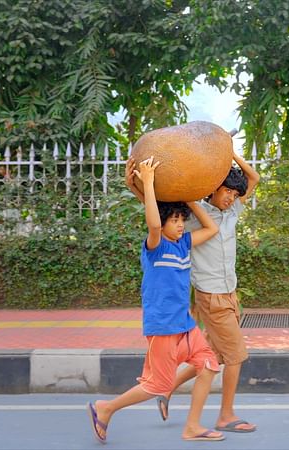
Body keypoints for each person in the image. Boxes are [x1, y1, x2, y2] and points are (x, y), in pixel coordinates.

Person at [87, 156, 225, 444]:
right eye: (173, 221)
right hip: (162, 327)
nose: (179, 226)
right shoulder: (155, 247)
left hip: (185, 326)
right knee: (156, 386)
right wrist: (148, 183)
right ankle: (107, 408)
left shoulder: (184, 244)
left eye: (180, 221)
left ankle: (193, 426)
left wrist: (188, 201)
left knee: (209, 364)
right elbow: (152, 223)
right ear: (162, 225)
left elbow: (212, 229)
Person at [126, 151, 260, 433]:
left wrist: (228, 153)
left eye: (236, 195)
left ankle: (167, 389)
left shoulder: (233, 210)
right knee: (235, 356)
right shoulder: (193, 218)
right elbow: (159, 217)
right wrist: (135, 186)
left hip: (229, 294)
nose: (231, 199)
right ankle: (225, 416)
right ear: (213, 189)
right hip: (210, 296)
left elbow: (254, 178)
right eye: (227, 193)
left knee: (213, 355)